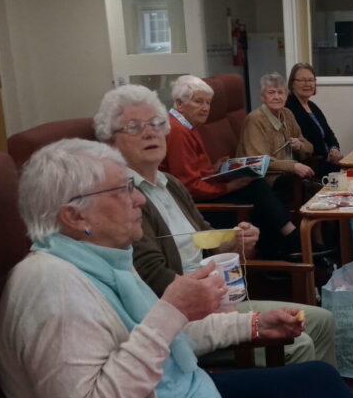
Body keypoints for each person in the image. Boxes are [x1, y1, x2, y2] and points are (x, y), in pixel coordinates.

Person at [0, 138, 353, 398]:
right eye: (123, 191)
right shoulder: (51, 288)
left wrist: (254, 325)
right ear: (73, 216)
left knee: (318, 382)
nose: (138, 200)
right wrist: (170, 310)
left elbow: (172, 337)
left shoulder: (104, 259)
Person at [93, 84, 336, 367]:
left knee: (322, 321)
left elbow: (205, 236)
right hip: (187, 320)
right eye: (134, 127)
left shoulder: (169, 183)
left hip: (218, 298)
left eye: (156, 124)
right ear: (110, 143)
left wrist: (234, 241)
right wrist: (218, 301)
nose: (150, 132)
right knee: (300, 340)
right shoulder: (125, 198)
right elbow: (153, 276)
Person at [159, 76, 305, 259]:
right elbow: (189, 187)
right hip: (196, 208)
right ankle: (292, 241)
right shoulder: (178, 132)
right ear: (180, 104)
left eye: (208, 103)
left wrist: (214, 169)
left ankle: (284, 249)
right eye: (198, 102)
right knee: (256, 187)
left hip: (202, 193)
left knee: (256, 186)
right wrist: (229, 186)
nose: (205, 108)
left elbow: (192, 171)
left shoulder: (187, 125)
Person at [238, 73, 316, 191]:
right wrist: (293, 166)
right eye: (271, 93)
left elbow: (309, 147)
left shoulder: (287, 114)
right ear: (262, 97)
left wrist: (300, 146)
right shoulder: (255, 119)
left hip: (288, 175)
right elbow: (259, 161)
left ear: (286, 96)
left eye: (280, 92)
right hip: (265, 180)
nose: (276, 97)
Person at [286, 62, 343, 179]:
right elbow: (306, 140)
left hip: (328, 161)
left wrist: (334, 149)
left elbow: (329, 133)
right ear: (292, 84)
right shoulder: (289, 107)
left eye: (311, 80)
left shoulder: (312, 106)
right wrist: (327, 155)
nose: (307, 84)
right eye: (302, 80)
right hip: (313, 165)